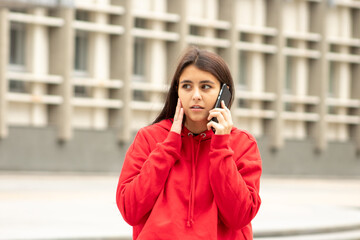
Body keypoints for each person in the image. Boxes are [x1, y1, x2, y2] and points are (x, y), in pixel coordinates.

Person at [116, 47, 262, 240]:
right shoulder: (150, 138)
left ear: (223, 93)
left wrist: (220, 147)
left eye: (206, 86)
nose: (196, 95)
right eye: (186, 86)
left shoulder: (242, 144)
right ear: (177, 90)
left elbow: (239, 217)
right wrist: (168, 147)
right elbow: (130, 210)